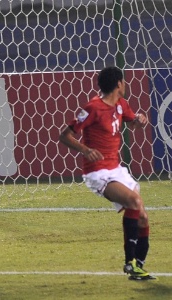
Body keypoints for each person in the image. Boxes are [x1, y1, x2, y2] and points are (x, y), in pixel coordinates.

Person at [59, 66, 155, 280]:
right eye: (124, 81)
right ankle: (129, 263)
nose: (125, 84)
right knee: (133, 200)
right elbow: (64, 136)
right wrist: (85, 149)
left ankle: (138, 267)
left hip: (116, 169)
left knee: (142, 216)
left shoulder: (121, 104)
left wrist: (140, 121)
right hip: (97, 172)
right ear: (119, 84)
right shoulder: (92, 108)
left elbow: (133, 122)